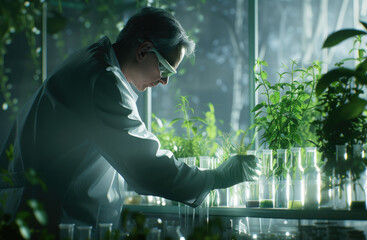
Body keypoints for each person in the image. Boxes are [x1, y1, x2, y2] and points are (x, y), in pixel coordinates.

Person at [0, 7, 259, 236]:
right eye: (166, 69)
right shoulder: (103, 82)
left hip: (43, 212)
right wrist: (215, 178)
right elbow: (145, 167)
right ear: (144, 50)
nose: (164, 81)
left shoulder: (93, 63)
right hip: (57, 221)